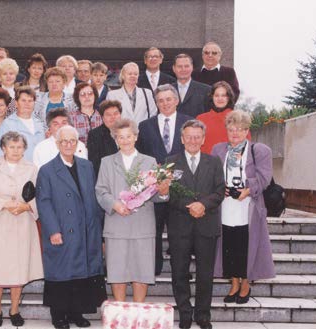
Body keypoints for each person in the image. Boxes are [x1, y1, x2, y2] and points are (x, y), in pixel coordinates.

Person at [36, 125, 107, 329]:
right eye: (64, 141)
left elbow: (93, 198)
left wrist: (98, 231)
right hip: (63, 229)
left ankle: (77, 312)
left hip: (86, 229)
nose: (68, 145)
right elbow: (44, 202)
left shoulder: (87, 166)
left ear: (77, 144)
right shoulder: (47, 170)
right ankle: (59, 315)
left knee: (81, 274)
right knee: (62, 273)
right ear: (57, 144)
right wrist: (53, 230)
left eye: (72, 141)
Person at [95, 118, 169, 302]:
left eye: (129, 136)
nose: (125, 140)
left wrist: (164, 191)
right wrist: (115, 204)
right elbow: (100, 191)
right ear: (115, 139)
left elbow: (156, 196)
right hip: (116, 225)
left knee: (142, 273)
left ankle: (137, 313)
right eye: (121, 137)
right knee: (117, 273)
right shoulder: (106, 162)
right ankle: (120, 315)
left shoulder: (150, 161)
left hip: (142, 226)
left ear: (136, 137)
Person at [0, 131, 44, 327]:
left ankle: (14, 310)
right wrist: (4, 204)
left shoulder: (32, 169)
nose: (15, 151)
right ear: (3, 148)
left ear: (24, 149)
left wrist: (27, 206)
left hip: (22, 223)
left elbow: (41, 193)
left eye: (19, 147)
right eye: (11, 147)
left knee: (19, 268)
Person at [211, 110, 275, 305]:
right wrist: (220, 189)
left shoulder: (260, 150)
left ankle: (245, 283)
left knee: (245, 245)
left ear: (247, 130)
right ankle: (234, 283)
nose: (235, 134)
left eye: (239, 130)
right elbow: (212, 176)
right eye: (231, 130)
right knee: (228, 245)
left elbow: (264, 178)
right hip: (226, 207)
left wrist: (246, 191)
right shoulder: (218, 150)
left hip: (248, 207)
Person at [167, 120, 225, 329]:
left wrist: (202, 205)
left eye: (197, 137)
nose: (193, 140)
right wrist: (189, 206)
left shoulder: (214, 162)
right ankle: (184, 313)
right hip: (179, 226)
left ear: (203, 139)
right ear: (182, 139)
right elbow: (167, 194)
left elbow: (220, 191)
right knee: (179, 272)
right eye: (188, 136)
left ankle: (202, 315)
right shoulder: (170, 162)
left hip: (206, 225)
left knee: (205, 273)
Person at [136, 84, 193, 275]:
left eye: (169, 99)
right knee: (155, 228)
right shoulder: (145, 126)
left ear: (176, 100)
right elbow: (141, 156)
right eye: (160, 100)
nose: (165, 103)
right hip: (155, 188)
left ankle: (181, 269)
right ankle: (155, 267)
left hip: (182, 186)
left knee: (181, 231)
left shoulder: (189, 123)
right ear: (156, 102)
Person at [0, 86, 45, 161]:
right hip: (19, 170)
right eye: (23, 100)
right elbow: (0, 153)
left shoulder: (39, 123)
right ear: (16, 103)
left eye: (30, 101)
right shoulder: (7, 125)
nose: (27, 104)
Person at [197, 81, 245, 154]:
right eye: (217, 95)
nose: (220, 99)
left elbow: (245, 147)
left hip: (230, 163)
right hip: (206, 163)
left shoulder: (238, 119)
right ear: (212, 97)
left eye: (224, 95)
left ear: (228, 98)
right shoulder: (201, 119)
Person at [87, 100, 122, 176]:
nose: (113, 117)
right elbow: (95, 164)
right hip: (106, 178)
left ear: (120, 115)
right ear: (102, 117)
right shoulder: (95, 135)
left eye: (116, 113)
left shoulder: (128, 132)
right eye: (108, 115)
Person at [171, 54, 211, 118]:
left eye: (186, 66)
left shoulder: (206, 90)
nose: (183, 69)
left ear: (192, 67)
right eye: (179, 66)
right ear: (174, 68)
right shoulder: (167, 90)